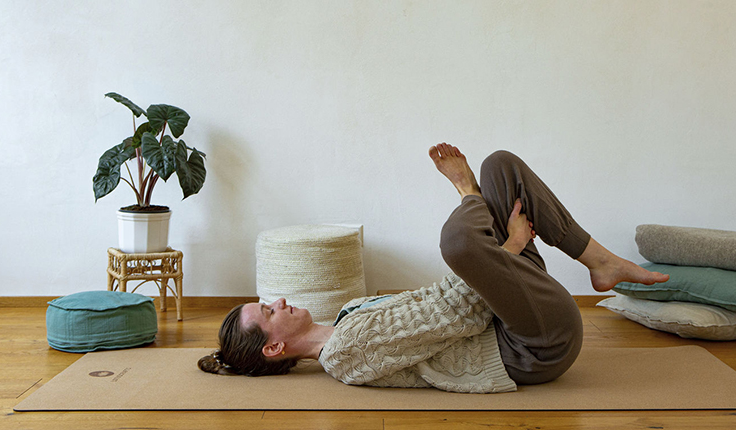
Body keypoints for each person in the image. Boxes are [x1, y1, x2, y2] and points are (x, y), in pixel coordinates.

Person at [198, 144, 668, 391]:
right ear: (274, 347)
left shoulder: (350, 314)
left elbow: (445, 299)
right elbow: (458, 311)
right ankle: (468, 191)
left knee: (501, 166)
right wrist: (506, 244)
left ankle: (599, 261)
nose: (277, 300)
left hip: (509, 308)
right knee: (457, 241)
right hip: (534, 345)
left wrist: (506, 249)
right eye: (267, 310)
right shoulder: (346, 354)